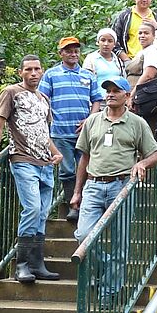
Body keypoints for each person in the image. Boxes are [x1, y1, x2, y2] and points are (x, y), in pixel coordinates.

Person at [70, 76, 157, 305]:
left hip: (122, 186)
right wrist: (77, 191)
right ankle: (106, 270)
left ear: (126, 96)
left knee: (121, 243)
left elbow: (156, 154)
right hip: (93, 184)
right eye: (108, 91)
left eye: (115, 90)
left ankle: (108, 292)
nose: (110, 94)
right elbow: (84, 157)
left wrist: (141, 164)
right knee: (83, 236)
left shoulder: (137, 123)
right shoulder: (92, 121)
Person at [0, 55, 64, 284]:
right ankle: (22, 265)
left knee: (43, 213)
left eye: (37, 69)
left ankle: (38, 265)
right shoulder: (11, 92)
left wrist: (56, 152)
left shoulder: (44, 98)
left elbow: (42, 133)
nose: (33, 73)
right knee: (32, 208)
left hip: (45, 163)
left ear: (42, 71)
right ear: (21, 72)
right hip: (23, 159)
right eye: (28, 69)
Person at [39, 37, 103, 223]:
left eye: (76, 51)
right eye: (68, 51)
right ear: (61, 53)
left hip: (83, 132)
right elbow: (42, 99)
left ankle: (86, 205)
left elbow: (97, 99)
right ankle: (73, 206)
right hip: (60, 131)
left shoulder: (87, 75)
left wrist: (91, 118)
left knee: (88, 168)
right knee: (67, 170)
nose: (73, 54)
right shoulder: (51, 74)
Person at [130, 21, 157, 138]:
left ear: (153, 36)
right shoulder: (141, 52)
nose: (142, 36)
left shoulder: (153, 51)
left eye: (146, 33)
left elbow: (149, 75)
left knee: (146, 130)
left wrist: (132, 96)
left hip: (144, 98)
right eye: (140, 33)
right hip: (137, 97)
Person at [112, 0, 157, 83]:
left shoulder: (155, 17)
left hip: (151, 64)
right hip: (131, 64)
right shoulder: (125, 16)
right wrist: (126, 60)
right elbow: (114, 40)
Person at [82, 28, 124, 98]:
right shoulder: (91, 59)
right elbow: (85, 82)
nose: (106, 44)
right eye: (103, 40)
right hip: (98, 101)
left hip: (115, 101)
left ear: (114, 44)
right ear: (98, 42)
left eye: (110, 41)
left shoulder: (118, 61)